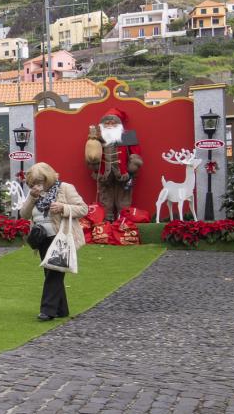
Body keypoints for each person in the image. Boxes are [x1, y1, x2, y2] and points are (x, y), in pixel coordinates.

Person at [18, 162, 88, 321]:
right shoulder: (34, 194)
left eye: (40, 182)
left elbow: (83, 209)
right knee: (52, 272)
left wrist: (63, 208)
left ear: (48, 177)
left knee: (54, 274)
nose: (37, 186)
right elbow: (24, 214)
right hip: (41, 239)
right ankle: (61, 309)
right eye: (34, 183)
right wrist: (32, 196)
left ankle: (47, 310)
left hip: (61, 237)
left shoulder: (65, 188)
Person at [88, 110, 143, 221]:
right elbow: (92, 154)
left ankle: (123, 219)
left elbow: (135, 153)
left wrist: (133, 166)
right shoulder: (98, 138)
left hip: (123, 173)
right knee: (105, 197)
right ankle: (107, 220)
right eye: (107, 123)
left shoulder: (127, 136)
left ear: (118, 125)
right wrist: (94, 166)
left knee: (123, 197)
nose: (110, 125)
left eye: (113, 123)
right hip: (104, 174)